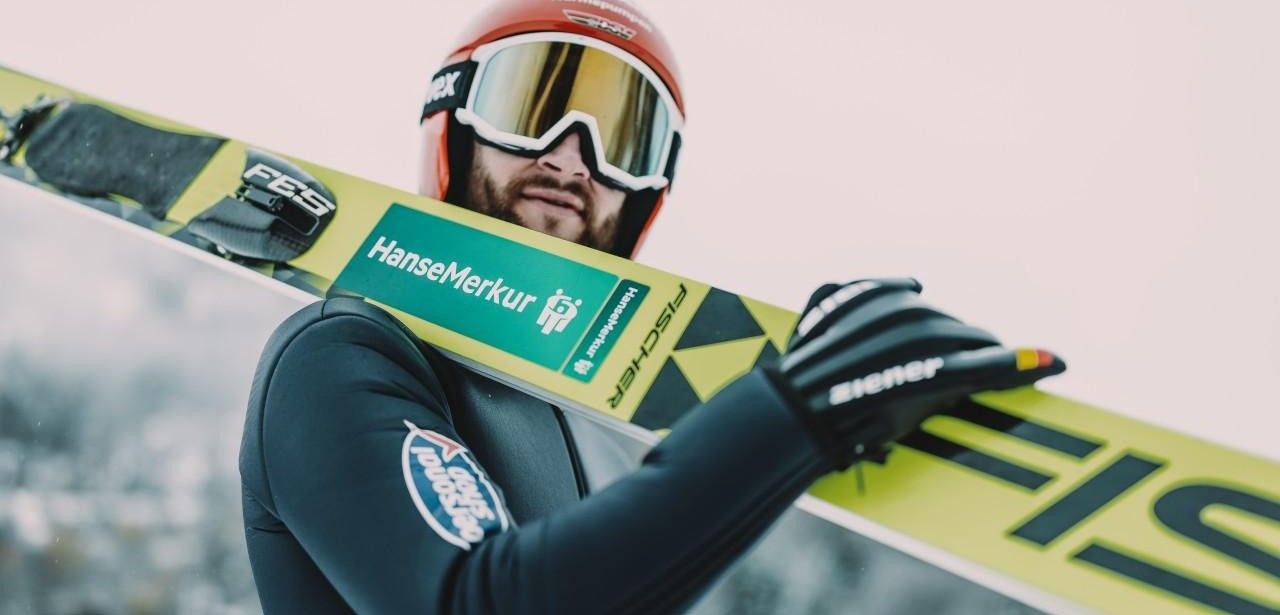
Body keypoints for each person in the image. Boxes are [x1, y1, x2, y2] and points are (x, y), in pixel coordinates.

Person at [238, 1, 1066, 613]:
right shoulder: (338, 353)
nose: (572, 157)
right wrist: (791, 416)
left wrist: (795, 409)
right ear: (452, 122)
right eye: (534, 106)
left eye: (620, 135)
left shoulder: (580, 423)